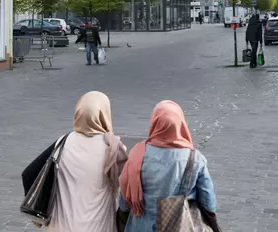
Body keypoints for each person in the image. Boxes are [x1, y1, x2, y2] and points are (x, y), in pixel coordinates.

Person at [22, 91, 128, 232]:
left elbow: (28, 174)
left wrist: (38, 213)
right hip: (99, 226)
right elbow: (128, 186)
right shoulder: (114, 148)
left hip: (60, 226)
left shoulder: (62, 142)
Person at [119, 100, 218, 232]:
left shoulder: (137, 154)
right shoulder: (195, 158)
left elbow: (125, 202)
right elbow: (208, 201)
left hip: (141, 226)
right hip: (179, 225)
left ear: (155, 123)